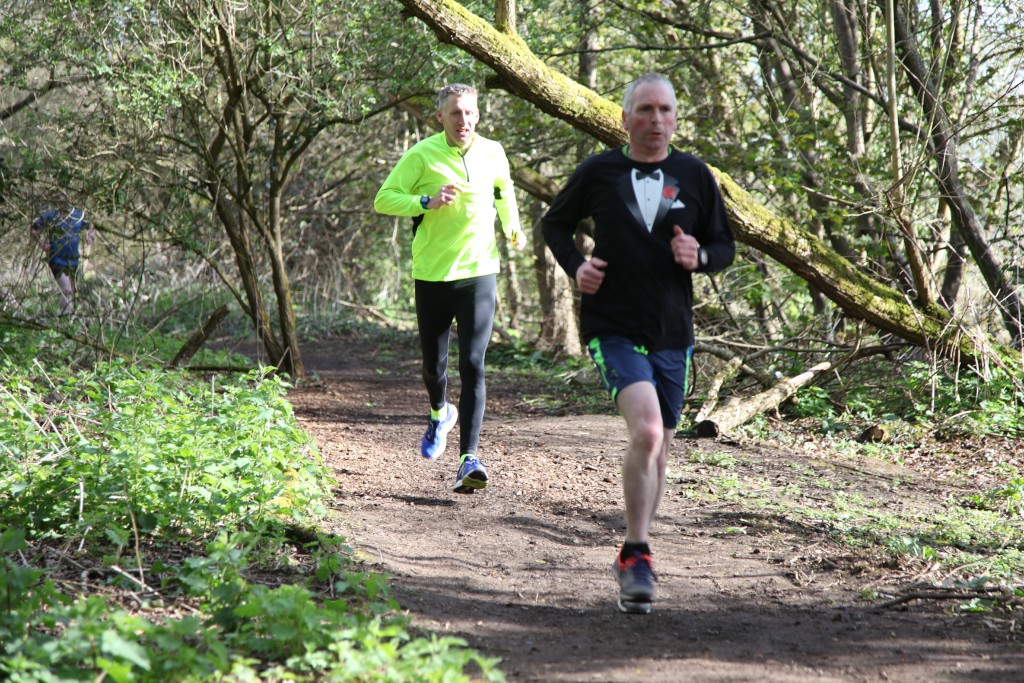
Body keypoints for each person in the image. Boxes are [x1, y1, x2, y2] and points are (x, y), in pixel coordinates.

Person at [541, 72, 735, 614]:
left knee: (660, 446)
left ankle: (638, 550)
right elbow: (554, 224)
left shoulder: (694, 175)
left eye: (665, 110)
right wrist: (576, 266)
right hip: (612, 324)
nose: (656, 119)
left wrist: (700, 256)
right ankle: (636, 552)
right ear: (625, 118)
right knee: (647, 432)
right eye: (645, 110)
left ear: (675, 118)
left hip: (672, 330)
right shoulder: (600, 171)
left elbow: (725, 246)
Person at [374, 83, 524, 494]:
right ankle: (439, 412)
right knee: (433, 367)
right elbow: (384, 199)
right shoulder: (422, 154)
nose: (464, 120)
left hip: (480, 271)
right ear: (440, 116)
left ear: (479, 115)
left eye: (470, 112)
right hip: (433, 274)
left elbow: (504, 190)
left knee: (473, 363)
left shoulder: (493, 152)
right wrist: (425, 201)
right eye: (456, 112)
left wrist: (513, 227)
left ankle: (468, 459)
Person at [31, 202, 96, 316]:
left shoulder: (78, 215)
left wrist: (90, 237)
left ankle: (67, 317)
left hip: (73, 259)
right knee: (66, 289)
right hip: (56, 258)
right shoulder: (51, 216)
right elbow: (34, 228)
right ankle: (65, 315)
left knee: (71, 291)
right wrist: (42, 244)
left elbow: (91, 226)